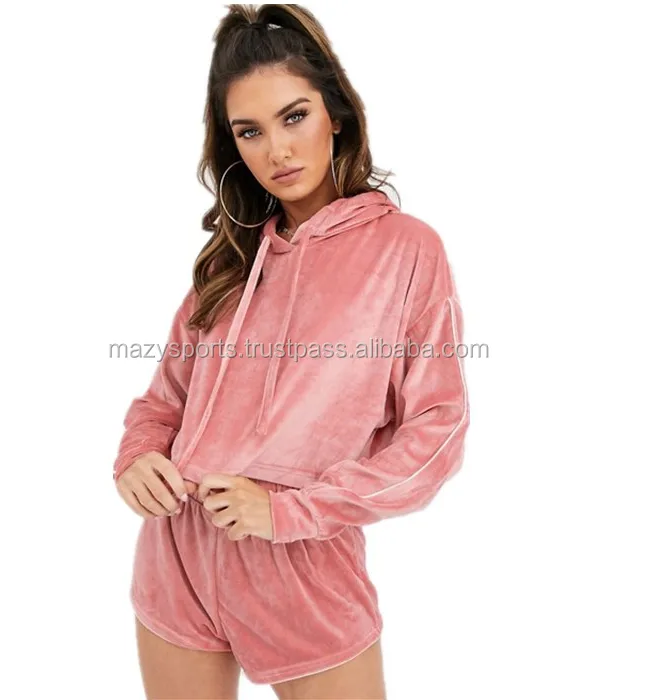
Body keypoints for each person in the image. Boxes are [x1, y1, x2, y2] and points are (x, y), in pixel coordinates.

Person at [112, 5, 470, 699]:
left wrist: (288, 513)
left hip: (303, 563)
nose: (276, 150)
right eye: (250, 130)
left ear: (336, 115)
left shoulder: (405, 250)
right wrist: (138, 457)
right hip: (177, 554)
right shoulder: (229, 259)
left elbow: (437, 433)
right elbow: (164, 403)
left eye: (294, 117)